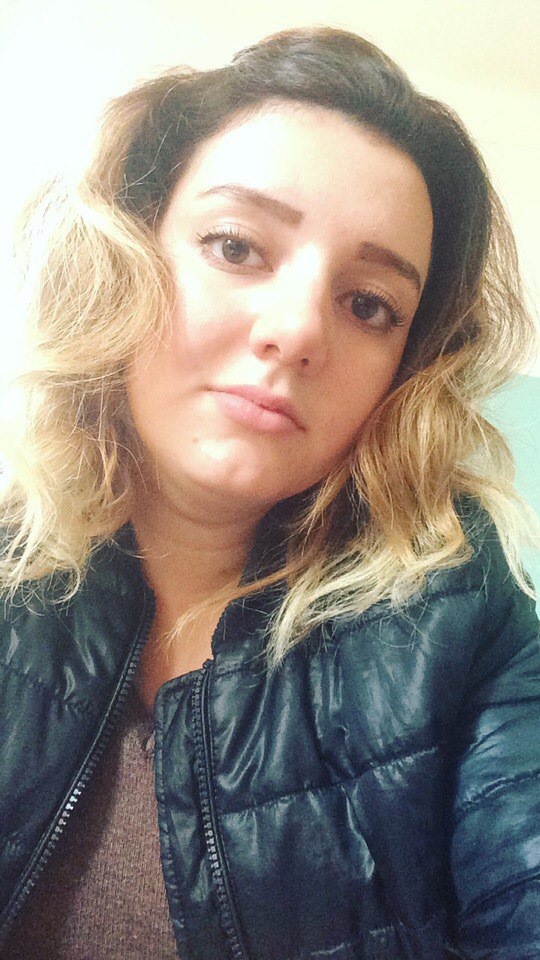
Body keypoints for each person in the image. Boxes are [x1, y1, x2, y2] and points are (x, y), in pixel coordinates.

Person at [0, 23, 538, 960]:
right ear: (126, 251)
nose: (297, 331)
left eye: (368, 304)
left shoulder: (469, 622)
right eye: (236, 246)